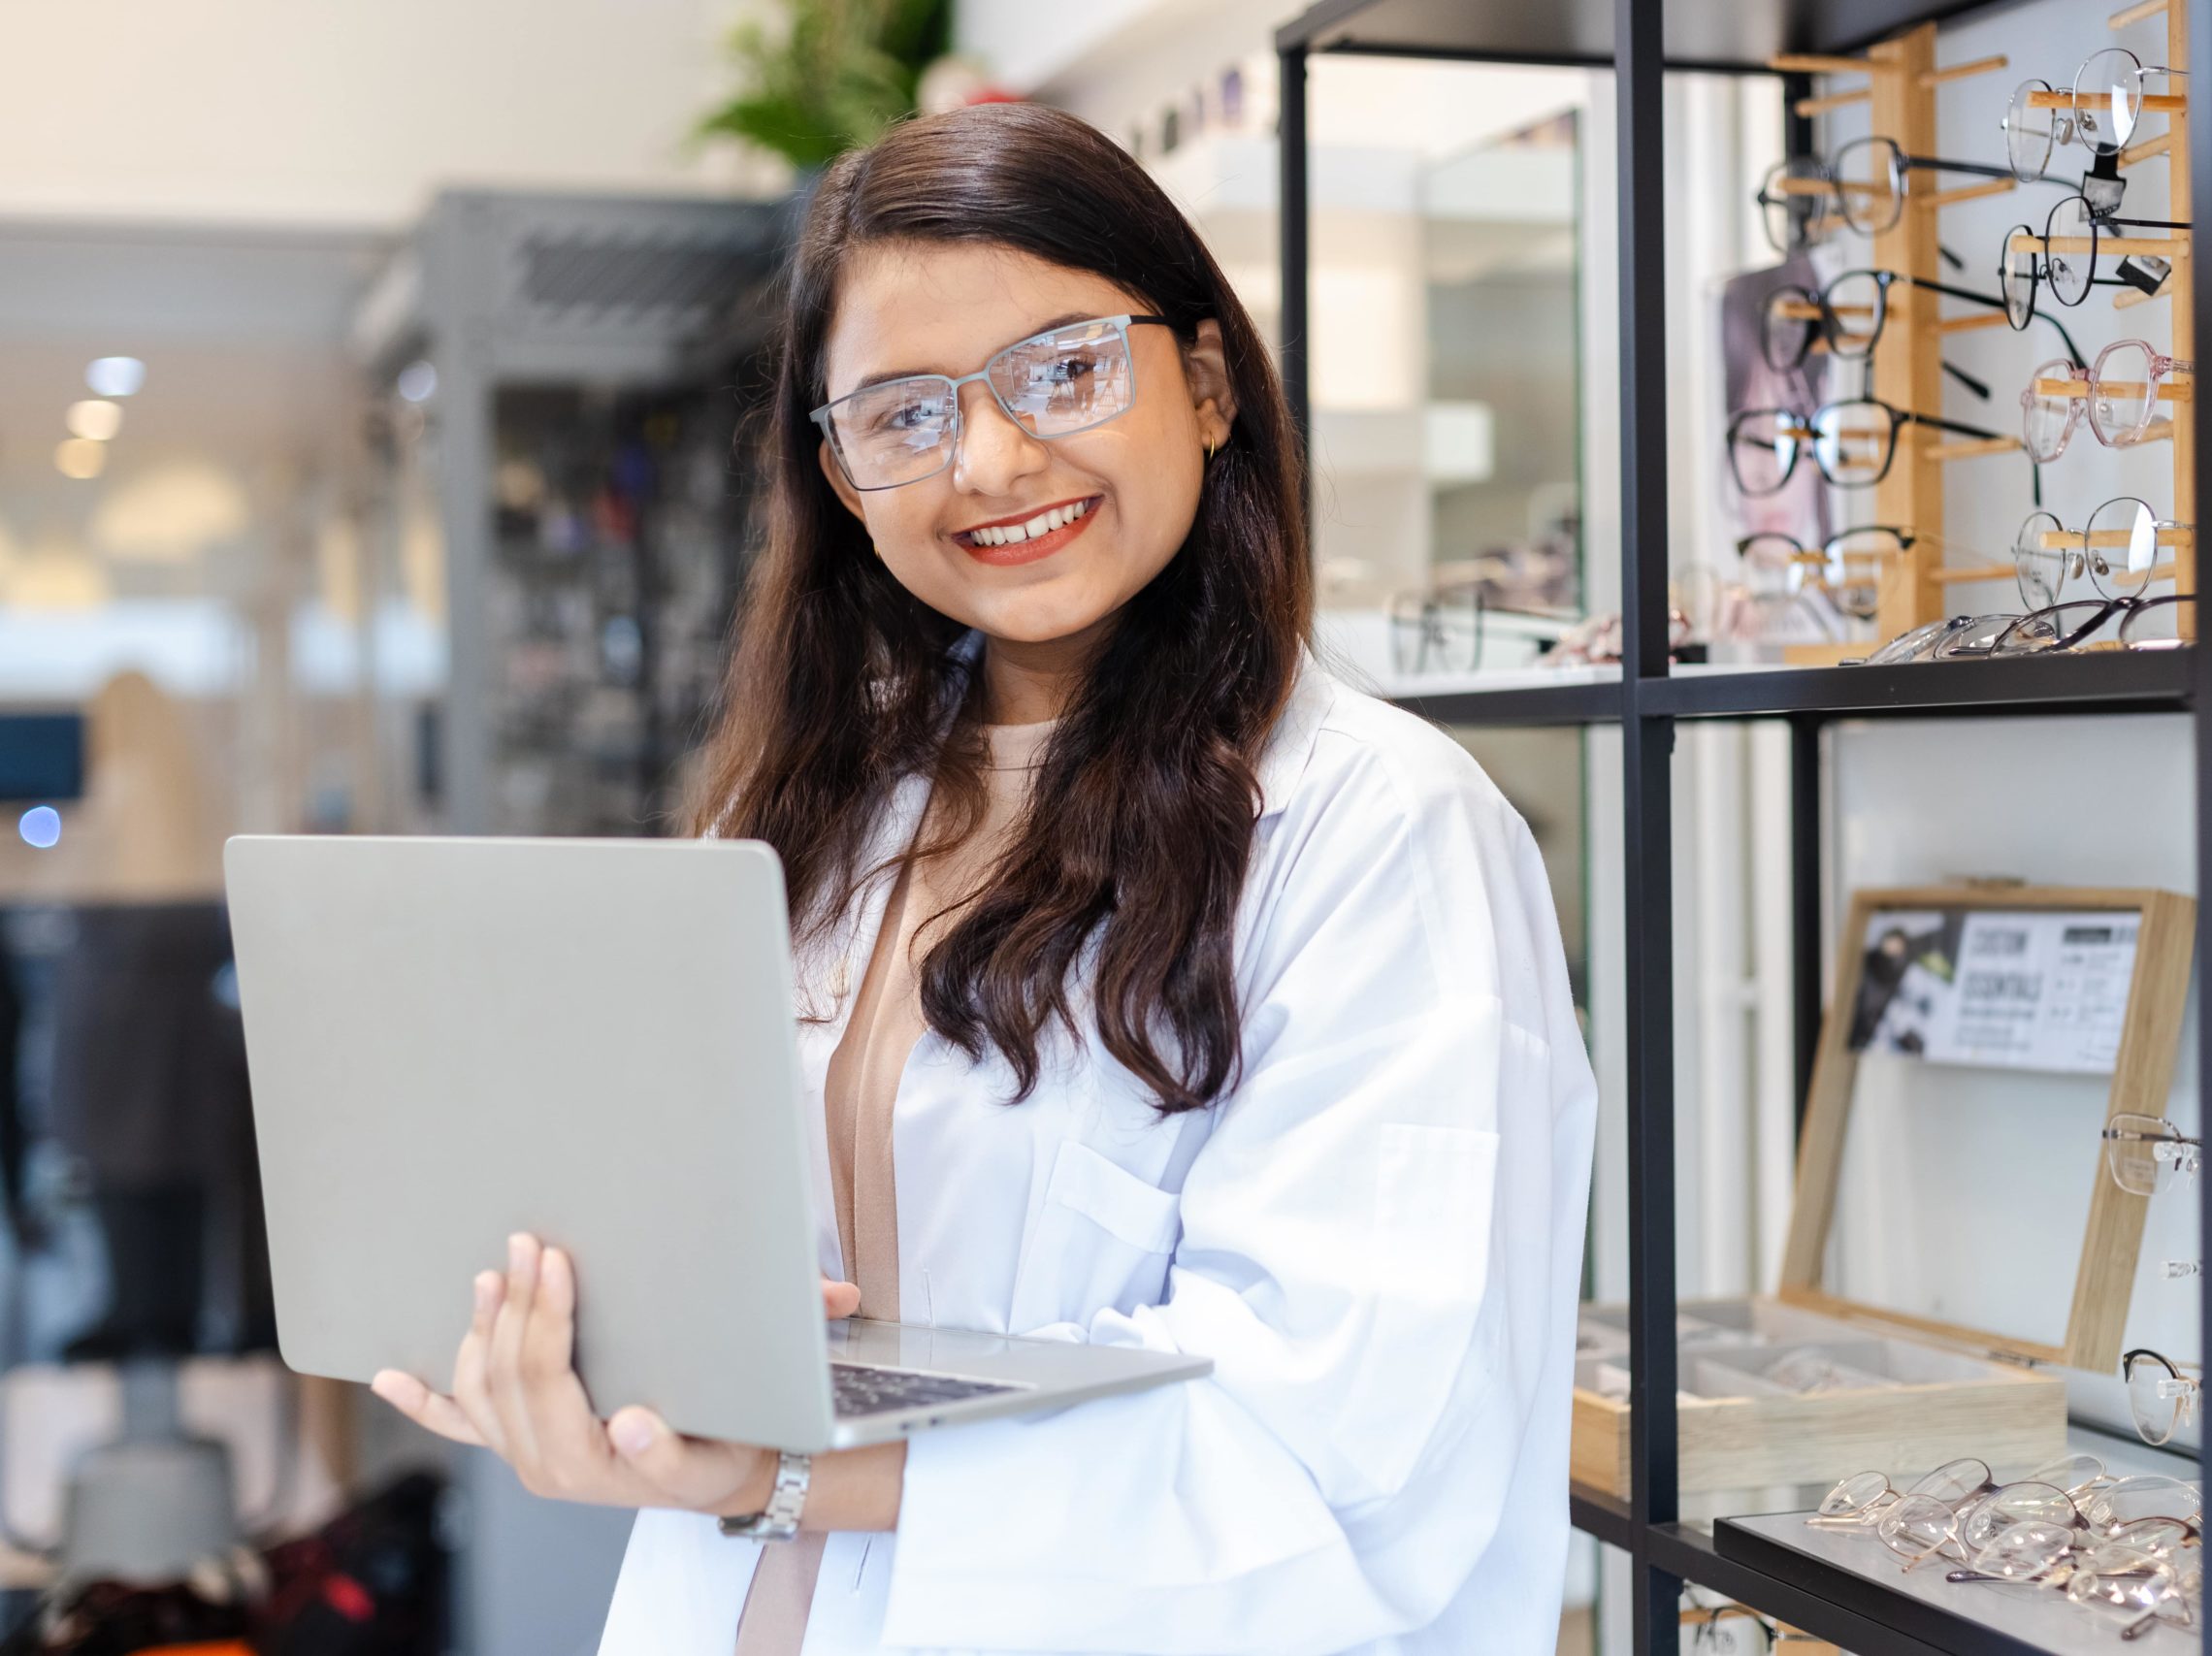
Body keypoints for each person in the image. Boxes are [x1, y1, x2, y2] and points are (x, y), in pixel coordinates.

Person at [370, 101, 1597, 1653]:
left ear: (1207, 383)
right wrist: (579, 1344)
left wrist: (798, 1464)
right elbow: (723, 1267)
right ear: (838, 474)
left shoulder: (1377, 829)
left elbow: (1331, 1443)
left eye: (1065, 370)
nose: (994, 459)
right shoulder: (812, 805)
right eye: (904, 413)